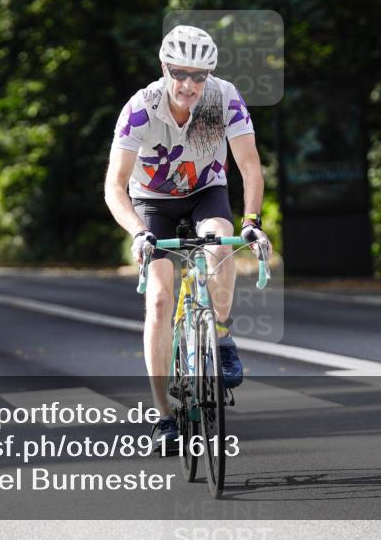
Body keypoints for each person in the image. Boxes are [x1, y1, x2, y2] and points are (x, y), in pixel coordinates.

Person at [104, 25, 270, 452]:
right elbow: (114, 186)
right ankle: (163, 417)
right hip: (152, 201)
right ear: (164, 68)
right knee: (159, 299)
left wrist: (253, 219)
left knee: (221, 241)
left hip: (205, 191)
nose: (190, 85)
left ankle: (221, 333)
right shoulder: (141, 108)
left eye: (200, 75)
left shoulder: (224, 98)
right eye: (180, 73)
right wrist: (138, 232)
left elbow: (250, 166)